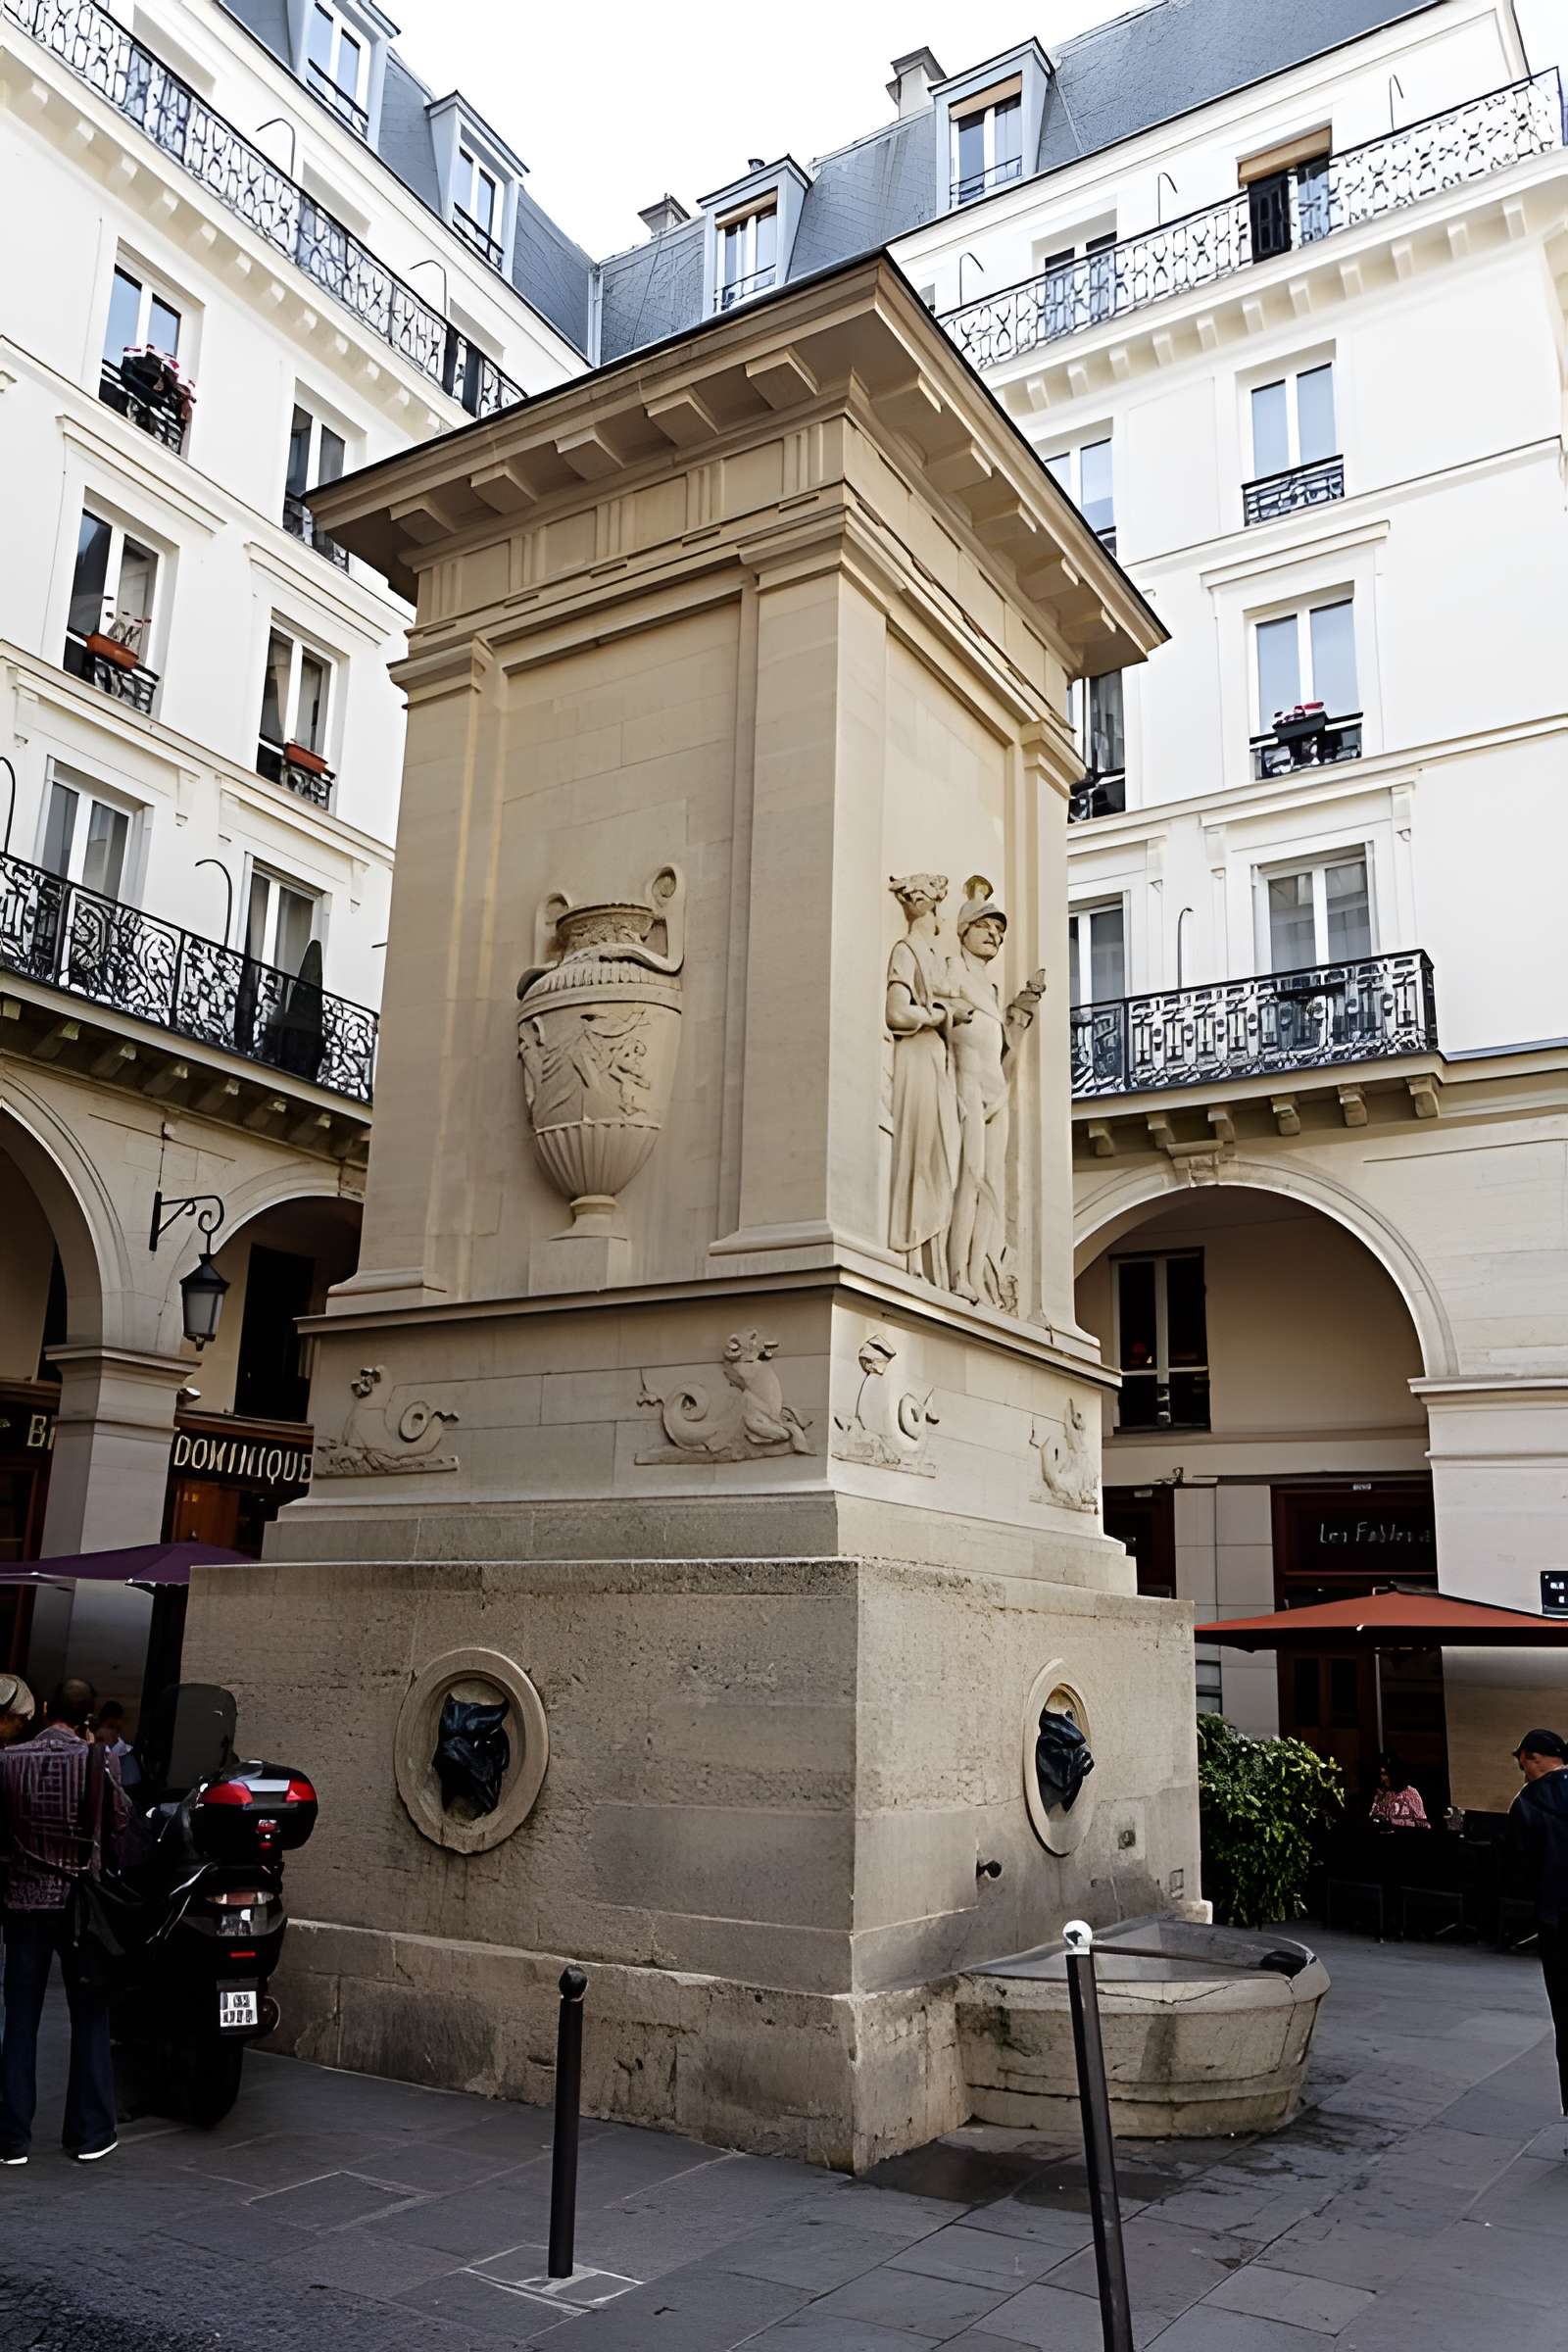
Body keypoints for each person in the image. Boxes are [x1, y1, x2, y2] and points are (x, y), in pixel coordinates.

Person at [0, 1678, 128, 2165]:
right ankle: (90, 2133)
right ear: (87, 1717)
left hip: (23, 1902)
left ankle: (12, 2138)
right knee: (90, 2015)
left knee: (20, 2020)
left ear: (46, 1708)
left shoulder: (8, 1760)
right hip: (81, 1906)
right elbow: (120, 1823)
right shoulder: (100, 1759)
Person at [1509, 1728, 1568, 2117]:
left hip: (1557, 1921)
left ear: (1534, 1758)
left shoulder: (1527, 1802)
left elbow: (1519, 1870)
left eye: (1523, 1764)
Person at [1369, 1752, 1430, 1830]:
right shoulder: (1382, 1794)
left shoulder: (1410, 1794)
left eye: (1386, 1774)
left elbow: (1423, 1823)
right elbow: (1373, 1818)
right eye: (1382, 1774)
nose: (1384, 1778)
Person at [93, 1701, 140, 1791]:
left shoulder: (126, 1756)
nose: (114, 1734)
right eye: (110, 1727)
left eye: (118, 1730)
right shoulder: (87, 1750)